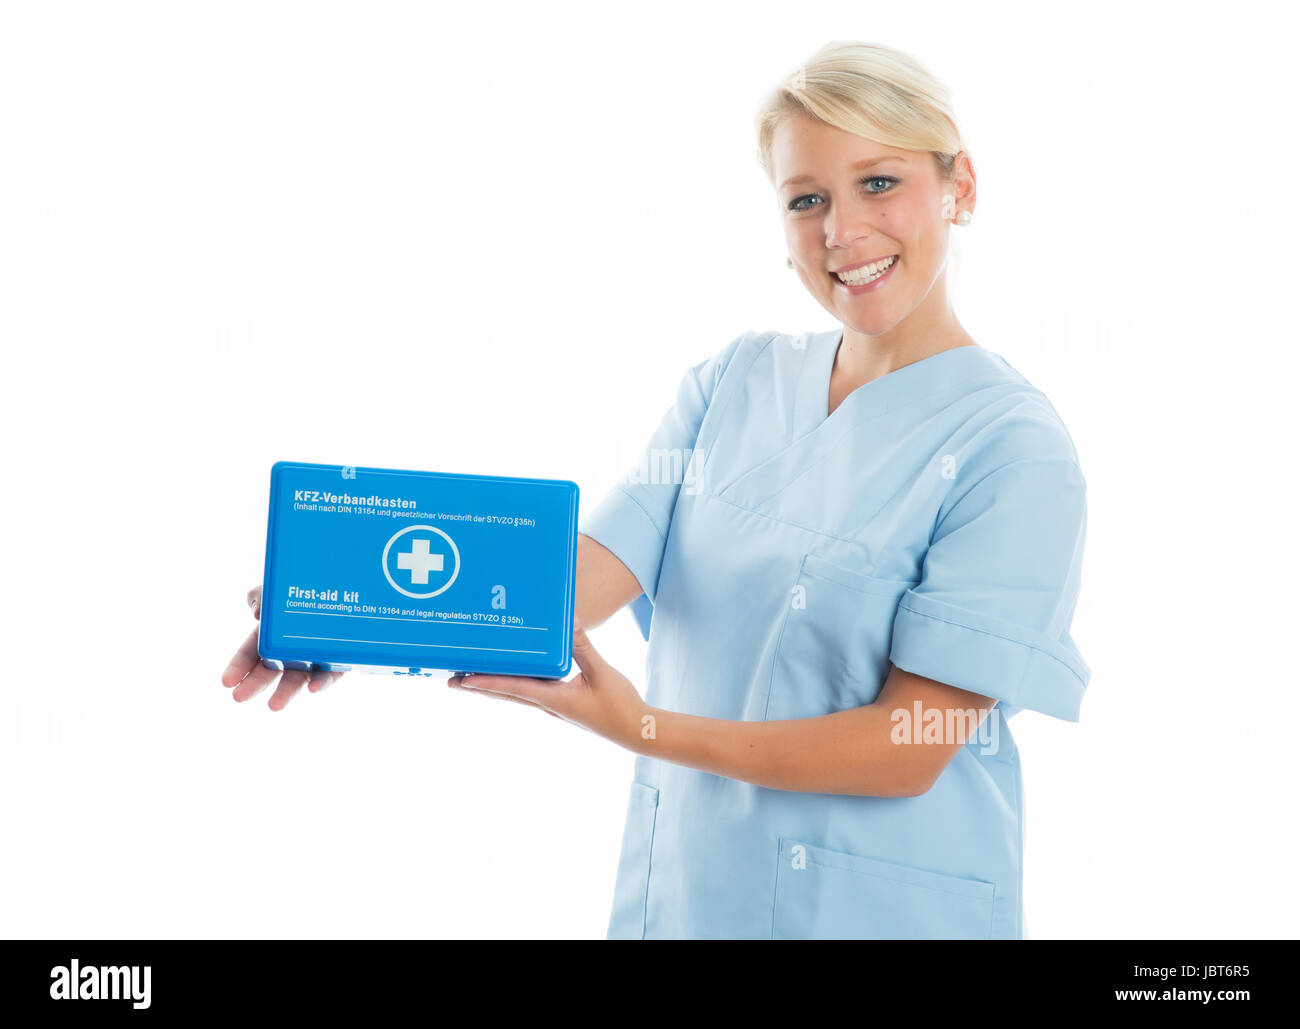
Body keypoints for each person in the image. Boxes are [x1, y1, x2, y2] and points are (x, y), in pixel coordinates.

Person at [221, 40, 1090, 940]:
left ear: (962, 187)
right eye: (807, 199)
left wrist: (642, 727)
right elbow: (576, 581)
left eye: (880, 183)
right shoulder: (735, 383)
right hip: (692, 902)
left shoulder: (1012, 449)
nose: (842, 231)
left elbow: (912, 746)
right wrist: (347, 614)